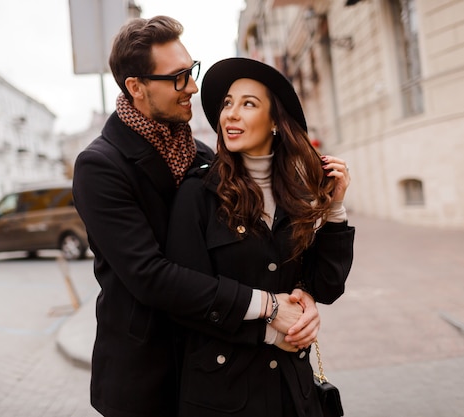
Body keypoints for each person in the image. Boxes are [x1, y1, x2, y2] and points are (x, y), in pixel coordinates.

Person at [72, 16, 323, 417]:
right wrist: (270, 310)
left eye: (192, 72)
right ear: (135, 87)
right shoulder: (100, 166)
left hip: (216, 368)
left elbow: (249, 261)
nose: (192, 86)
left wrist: (301, 298)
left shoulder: (203, 159)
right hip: (147, 376)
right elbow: (150, 275)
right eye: (177, 78)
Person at [165, 57, 355, 417]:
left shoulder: (297, 193)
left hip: (292, 393)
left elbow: (326, 285)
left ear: (275, 123)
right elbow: (183, 298)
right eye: (227, 104)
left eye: (248, 104)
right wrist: (272, 327)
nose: (231, 115)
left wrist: (334, 209)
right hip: (223, 397)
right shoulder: (199, 193)